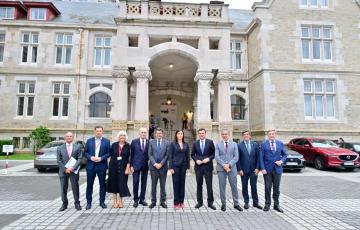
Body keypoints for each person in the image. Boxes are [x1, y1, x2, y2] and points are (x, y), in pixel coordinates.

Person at [259, 129, 287, 213]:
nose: (271, 135)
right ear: (268, 135)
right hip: (267, 170)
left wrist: (281, 161)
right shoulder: (264, 144)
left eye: (273, 134)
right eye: (270, 134)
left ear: (275, 135)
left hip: (277, 169)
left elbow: (285, 155)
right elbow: (261, 157)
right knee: (267, 187)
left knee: (276, 188)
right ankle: (267, 204)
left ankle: (276, 205)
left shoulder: (280, 143)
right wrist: (263, 168)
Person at [215, 129, 242, 212]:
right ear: (221, 135)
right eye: (223, 134)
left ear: (229, 134)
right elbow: (217, 156)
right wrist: (224, 165)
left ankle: (236, 203)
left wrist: (229, 165)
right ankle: (223, 204)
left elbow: (236, 157)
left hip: (232, 168)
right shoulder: (218, 145)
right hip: (221, 168)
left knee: (234, 186)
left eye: (226, 134)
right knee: (222, 187)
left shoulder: (234, 144)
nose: (224, 135)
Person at [85, 126, 111, 210]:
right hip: (91, 166)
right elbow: (85, 153)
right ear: (94, 131)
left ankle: (102, 202)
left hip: (101, 165)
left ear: (102, 132)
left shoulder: (106, 141)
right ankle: (89, 203)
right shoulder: (89, 141)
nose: (99, 132)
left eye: (100, 131)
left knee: (102, 185)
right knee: (89, 185)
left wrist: (101, 158)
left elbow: (109, 153)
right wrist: (91, 157)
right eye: (97, 131)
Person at [236, 130, 263, 210]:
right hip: (243, 171)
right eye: (244, 134)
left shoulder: (255, 145)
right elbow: (238, 159)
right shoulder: (239, 145)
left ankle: (255, 203)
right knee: (244, 187)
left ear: (250, 136)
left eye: (247, 134)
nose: (246, 135)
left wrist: (258, 168)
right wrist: (239, 169)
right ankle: (246, 202)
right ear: (242, 136)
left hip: (254, 170)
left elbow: (259, 158)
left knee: (254, 186)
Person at [191, 128, 216, 210]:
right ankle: (199, 202)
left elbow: (213, 153)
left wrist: (208, 159)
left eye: (203, 133)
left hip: (208, 166)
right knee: (199, 185)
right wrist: (196, 160)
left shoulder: (210, 142)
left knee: (209, 185)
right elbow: (192, 154)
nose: (201, 134)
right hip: (198, 167)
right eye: (200, 133)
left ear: (205, 134)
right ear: (198, 134)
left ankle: (210, 203)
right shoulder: (195, 143)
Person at [57, 131, 82, 211]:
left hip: (73, 171)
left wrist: (73, 168)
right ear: (65, 137)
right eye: (67, 136)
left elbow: (80, 158)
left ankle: (77, 203)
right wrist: (65, 169)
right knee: (63, 188)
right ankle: (64, 204)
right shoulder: (60, 148)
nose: (69, 137)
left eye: (71, 136)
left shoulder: (77, 147)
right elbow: (59, 160)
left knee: (75, 187)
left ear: (73, 137)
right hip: (63, 171)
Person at [107, 130, 131, 208]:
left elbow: (129, 158)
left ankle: (120, 201)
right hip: (113, 167)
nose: (122, 137)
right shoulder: (114, 145)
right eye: (121, 136)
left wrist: (128, 168)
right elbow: (110, 155)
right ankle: (114, 201)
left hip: (123, 167)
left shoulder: (128, 145)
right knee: (114, 184)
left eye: (124, 136)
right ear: (118, 137)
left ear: (126, 137)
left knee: (122, 184)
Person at [148, 128, 170, 209]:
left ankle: (162, 201)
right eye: (157, 133)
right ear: (155, 134)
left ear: (162, 134)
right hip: (153, 168)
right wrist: (154, 164)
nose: (158, 135)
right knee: (153, 185)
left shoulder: (167, 143)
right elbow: (149, 154)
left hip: (163, 167)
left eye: (160, 133)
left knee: (163, 185)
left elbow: (167, 155)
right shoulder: (151, 142)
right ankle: (153, 202)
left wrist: (161, 164)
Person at [169, 130, 190, 208]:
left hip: (183, 166)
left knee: (182, 184)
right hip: (175, 167)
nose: (180, 135)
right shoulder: (172, 144)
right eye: (178, 133)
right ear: (176, 135)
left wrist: (188, 167)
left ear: (183, 135)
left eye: (181, 134)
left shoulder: (186, 144)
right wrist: (170, 167)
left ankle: (181, 202)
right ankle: (176, 203)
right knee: (176, 184)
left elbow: (187, 156)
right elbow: (170, 156)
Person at [130, 128, 149, 208]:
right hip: (136, 166)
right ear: (139, 133)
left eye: (145, 132)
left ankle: (142, 199)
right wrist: (131, 165)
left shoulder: (149, 142)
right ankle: (135, 200)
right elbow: (131, 154)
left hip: (145, 166)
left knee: (144, 183)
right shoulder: (134, 142)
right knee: (135, 183)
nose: (143, 134)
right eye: (142, 132)